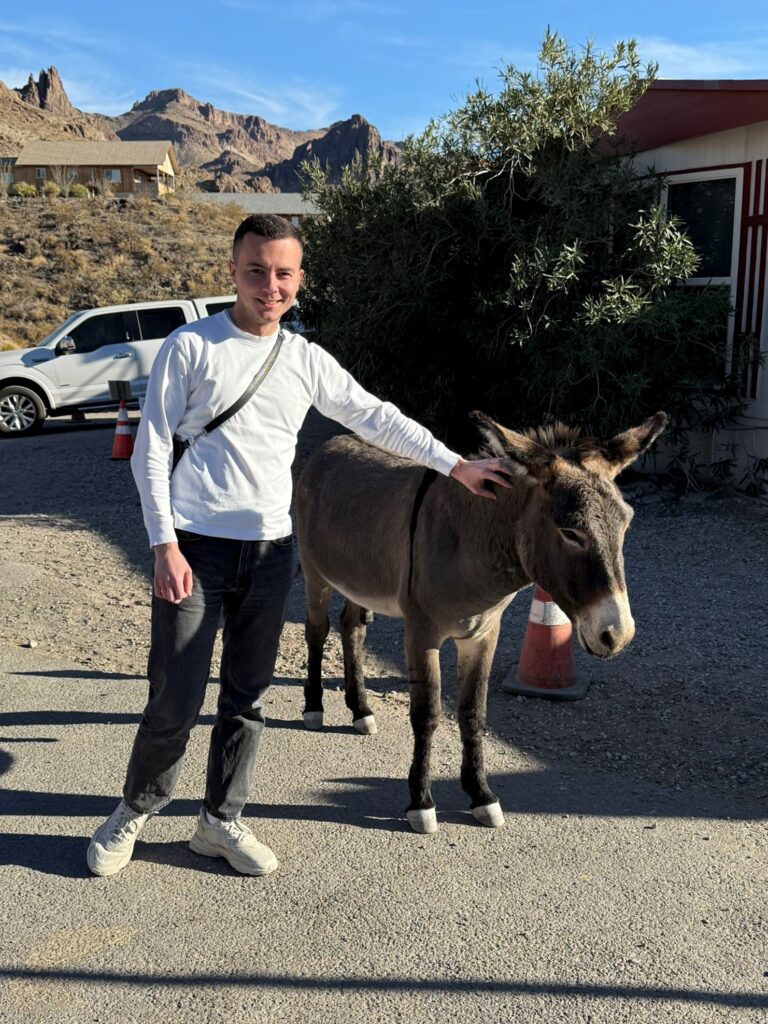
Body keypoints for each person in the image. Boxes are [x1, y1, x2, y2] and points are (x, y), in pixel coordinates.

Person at [87, 213, 513, 878]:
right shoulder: (191, 346)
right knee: (175, 697)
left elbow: (373, 415)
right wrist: (163, 544)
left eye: (283, 273)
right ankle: (134, 813)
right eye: (256, 271)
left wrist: (453, 463)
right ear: (233, 272)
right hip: (195, 551)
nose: (269, 285)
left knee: (247, 700)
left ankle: (219, 822)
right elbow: (151, 448)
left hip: (270, 553)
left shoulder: (304, 359)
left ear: (299, 280)